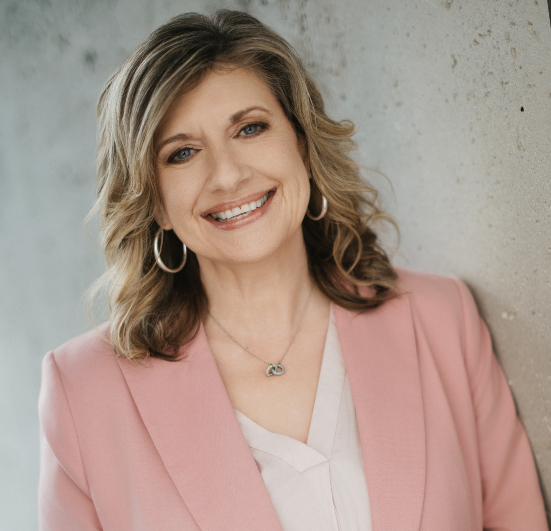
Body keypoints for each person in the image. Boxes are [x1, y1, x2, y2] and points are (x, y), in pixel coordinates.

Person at [38, 9, 548, 531]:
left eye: (250, 128)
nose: (227, 175)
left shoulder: (441, 319)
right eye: (183, 153)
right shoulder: (83, 393)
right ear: (155, 202)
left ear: (301, 143)